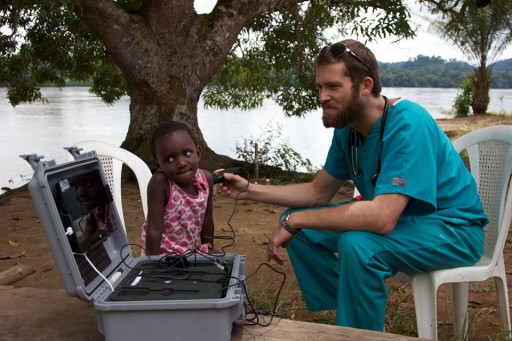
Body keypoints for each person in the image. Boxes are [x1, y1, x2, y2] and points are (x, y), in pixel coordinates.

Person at [216, 39, 488, 331]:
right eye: (319, 87)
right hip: (404, 224)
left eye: (333, 87)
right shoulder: (348, 129)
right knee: (301, 227)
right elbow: (317, 191)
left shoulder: (408, 124)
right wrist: (249, 190)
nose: (322, 96)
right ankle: (351, 314)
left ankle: (357, 332)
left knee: (358, 244)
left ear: (365, 85)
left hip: (453, 231)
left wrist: (296, 219)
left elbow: (382, 218)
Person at [141, 120, 215, 256]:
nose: (181, 163)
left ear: (198, 153)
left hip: (191, 255)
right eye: (169, 159)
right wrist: (152, 267)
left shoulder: (206, 179)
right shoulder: (160, 183)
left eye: (187, 154)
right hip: (163, 258)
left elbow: (207, 220)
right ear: (157, 165)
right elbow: (153, 230)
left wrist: (208, 251)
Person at [67, 170, 117, 251]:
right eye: (75, 187)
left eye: (88, 184)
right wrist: (88, 233)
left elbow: (110, 235)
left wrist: (89, 239)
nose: (81, 193)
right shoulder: (96, 212)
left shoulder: (113, 212)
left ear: (103, 182)